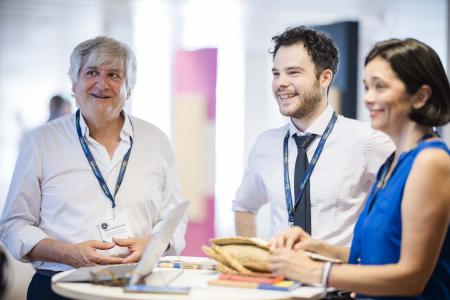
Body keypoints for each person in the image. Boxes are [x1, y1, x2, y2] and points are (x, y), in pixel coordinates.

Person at [0, 36, 187, 300]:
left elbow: (173, 217)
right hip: (59, 285)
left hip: (136, 286)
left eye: (114, 74)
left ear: (129, 88)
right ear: (74, 85)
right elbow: (14, 224)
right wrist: (65, 252)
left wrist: (151, 245)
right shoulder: (41, 142)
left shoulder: (156, 141)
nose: (102, 83)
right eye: (91, 72)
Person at [268, 38, 450, 299]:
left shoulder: (430, 161)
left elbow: (412, 278)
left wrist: (314, 272)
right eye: (366, 87)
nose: (368, 99)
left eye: (380, 87)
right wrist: (315, 247)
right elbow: (373, 257)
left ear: (421, 96)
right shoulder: (393, 163)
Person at [233, 26, 393, 246]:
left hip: (337, 277)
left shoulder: (367, 140)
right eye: (276, 73)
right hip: (280, 278)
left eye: (293, 72)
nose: (280, 82)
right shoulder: (265, 144)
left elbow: (405, 210)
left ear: (325, 77)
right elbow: (244, 206)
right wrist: (249, 261)